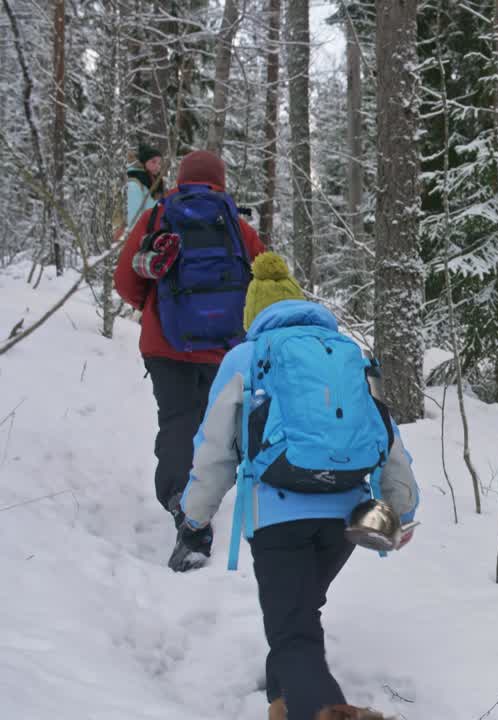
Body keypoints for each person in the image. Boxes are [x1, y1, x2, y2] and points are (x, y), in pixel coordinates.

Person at [180, 252, 420, 720]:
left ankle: (322, 710)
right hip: (345, 517)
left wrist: (195, 514)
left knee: (292, 630)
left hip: (278, 516)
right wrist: (402, 510)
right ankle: (283, 700)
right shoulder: (345, 354)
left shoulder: (244, 357)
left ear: (253, 315)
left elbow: (215, 450)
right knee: (298, 612)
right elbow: (387, 437)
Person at [114, 150, 267, 572]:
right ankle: (209, 498)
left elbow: (125, 278)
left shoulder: (158, 217)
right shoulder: (236, 226)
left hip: (166, 346)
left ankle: (183, 504)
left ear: (181, 178)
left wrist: (151, 307)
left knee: (179, 421)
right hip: (224, 348)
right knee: (216, 427)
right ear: (221, 180)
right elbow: (268, 280)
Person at [121, 143, 165, 237]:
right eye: (153, 162)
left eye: (159, 163)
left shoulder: (153, 184)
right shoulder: (134, 185)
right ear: (143, 163)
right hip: (139, 240)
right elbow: (134, 222)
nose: (158, 166)